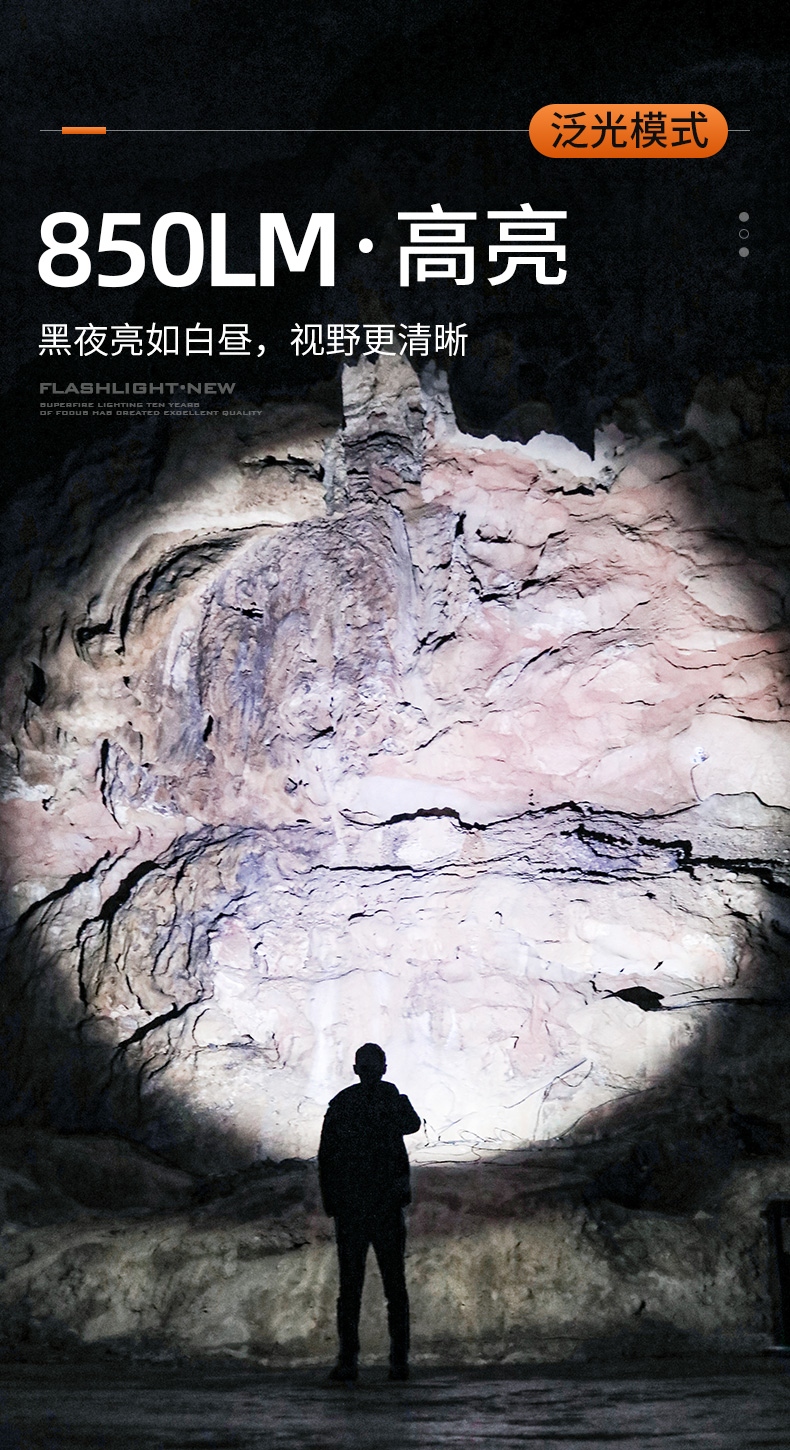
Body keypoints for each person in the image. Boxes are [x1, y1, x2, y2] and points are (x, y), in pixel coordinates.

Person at [318, 1042, 421, 1382]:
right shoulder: (387, 1097)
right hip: (383, 1205)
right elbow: (412, 1124)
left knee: (351, 1289)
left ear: (356, 1069)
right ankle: (397, 1362)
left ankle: (349, 1361)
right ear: (383, 1068)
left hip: (353, 1208)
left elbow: (326, 1157)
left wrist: (332, 1202)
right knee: (394, 1287)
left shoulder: (343, 1102)